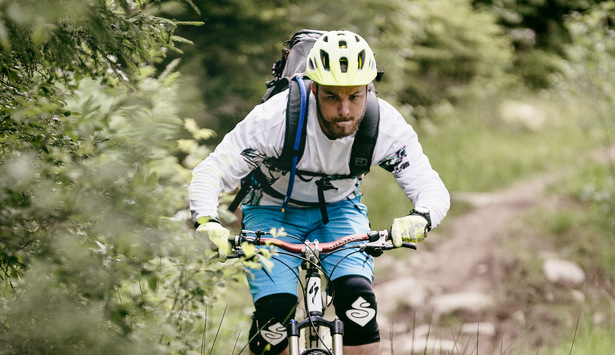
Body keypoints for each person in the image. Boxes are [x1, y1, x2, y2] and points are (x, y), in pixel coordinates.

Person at [189, 30, 450, 355]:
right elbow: (213, 171)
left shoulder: (385, 126)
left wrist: (421, 217)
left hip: (340, 212)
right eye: (332, 97)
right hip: (271, 211)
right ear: (314, 89)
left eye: (355, 96)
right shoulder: (276, 118)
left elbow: (430, 187)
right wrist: (207, 219)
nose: (344, 110)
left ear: (368, 88)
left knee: (359, 303)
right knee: (275, 314)